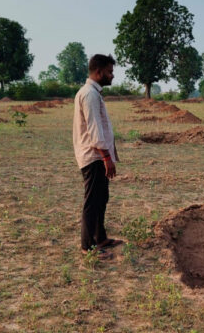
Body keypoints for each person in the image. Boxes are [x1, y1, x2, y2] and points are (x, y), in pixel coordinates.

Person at [73, 54, 123, 259]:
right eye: (109, 72)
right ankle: (88, 247)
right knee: (92, 201)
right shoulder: (89, 95)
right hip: (93, 157)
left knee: (101, 198)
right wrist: (106, 158)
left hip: (98, 156)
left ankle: (100, 238)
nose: (112, 75)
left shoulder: (94, 93)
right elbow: (94, 130)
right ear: (98, 71)